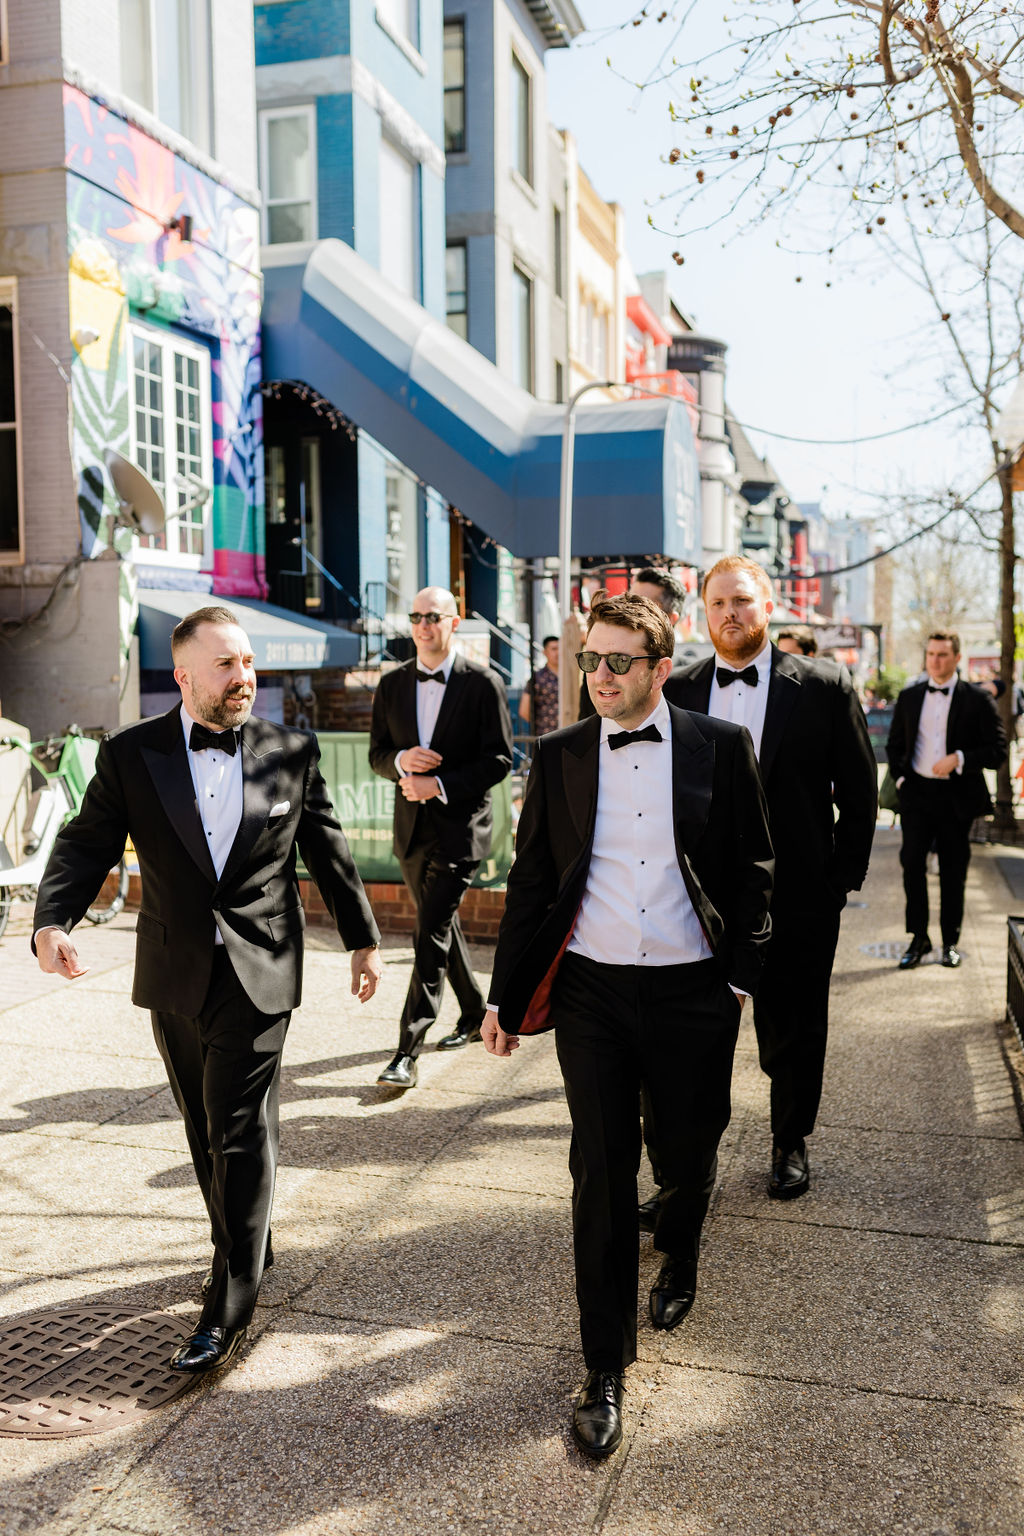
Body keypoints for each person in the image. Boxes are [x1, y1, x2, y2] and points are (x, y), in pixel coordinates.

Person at [33, 606, 382, 1374]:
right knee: (204, 1124)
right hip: (175, 970)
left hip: (261, 967)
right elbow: (86, 842)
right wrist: (52, 921)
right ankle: (247, 1235)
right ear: (183, 674)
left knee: (236, 1129)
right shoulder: (132, 755)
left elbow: (326, 845)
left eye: (249, 662)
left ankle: (228, 1301)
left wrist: (362, 939)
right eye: (225, 665)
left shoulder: (289, 749)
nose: (243, 677)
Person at [482, 594, 773, 1458]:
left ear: (656, 665)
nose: (599, 677)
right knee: (600, 1170)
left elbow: (756, 870)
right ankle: (603, 1365)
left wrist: (741, 980)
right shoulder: (562, 753)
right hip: (592, 994)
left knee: (687, 1152)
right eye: (589, 661)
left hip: (694, 990)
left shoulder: (721, 746)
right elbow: (532, 882)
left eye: (617, 662)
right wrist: (502, 999)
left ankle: (680, 1251)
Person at [658, 556, 877, 1202]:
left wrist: (837, 882)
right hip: (700, 902)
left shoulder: (824, 685)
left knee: (796, 1027)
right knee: (694, 1037)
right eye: (719, 602)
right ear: (705, 613)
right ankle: (685, 1168)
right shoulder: (678, 691)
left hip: (800, 897)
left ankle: (789, 1142)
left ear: (769, 604)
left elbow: (861, 795)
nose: (731, 613)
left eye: (743, 601)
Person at [369, 586, 512, 1088]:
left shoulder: (482, 683)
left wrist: (441, 784)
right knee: (440, 925)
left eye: (433, 616)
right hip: (410, 831)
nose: (424, 624)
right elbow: (377, 754)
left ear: (454, 623)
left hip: (460, 830)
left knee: (428, 931)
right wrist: (402, 762)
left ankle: (407, 1048)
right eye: (416, 616)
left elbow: (500, 760)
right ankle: (473, 1012)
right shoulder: (391, 685)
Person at [887, 630, 1007, 970]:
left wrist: (960, 757)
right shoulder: (909, 697)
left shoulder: (977, 699)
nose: (936, 660)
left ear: (957, 658)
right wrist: (901, 779)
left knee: (954, 871)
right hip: (917, 794)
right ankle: (918, 937)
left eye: (942, 654)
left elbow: (997, 750)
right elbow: (895, 747)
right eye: (931, 654)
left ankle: (950, 942)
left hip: (957, 797)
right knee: (912, 864)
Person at [578, 568, 688, 719]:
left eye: (646, 606)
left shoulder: (691, 681)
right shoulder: (596, 669)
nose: (631, 609)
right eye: (630, 599)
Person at [518, 635, 560, 737]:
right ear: (545, 652)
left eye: (560, 648)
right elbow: (524, 710)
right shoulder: (537, 678)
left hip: (570, 735)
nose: (558, 653)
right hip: (546, 735)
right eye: (554, 649)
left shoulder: (571, 676)